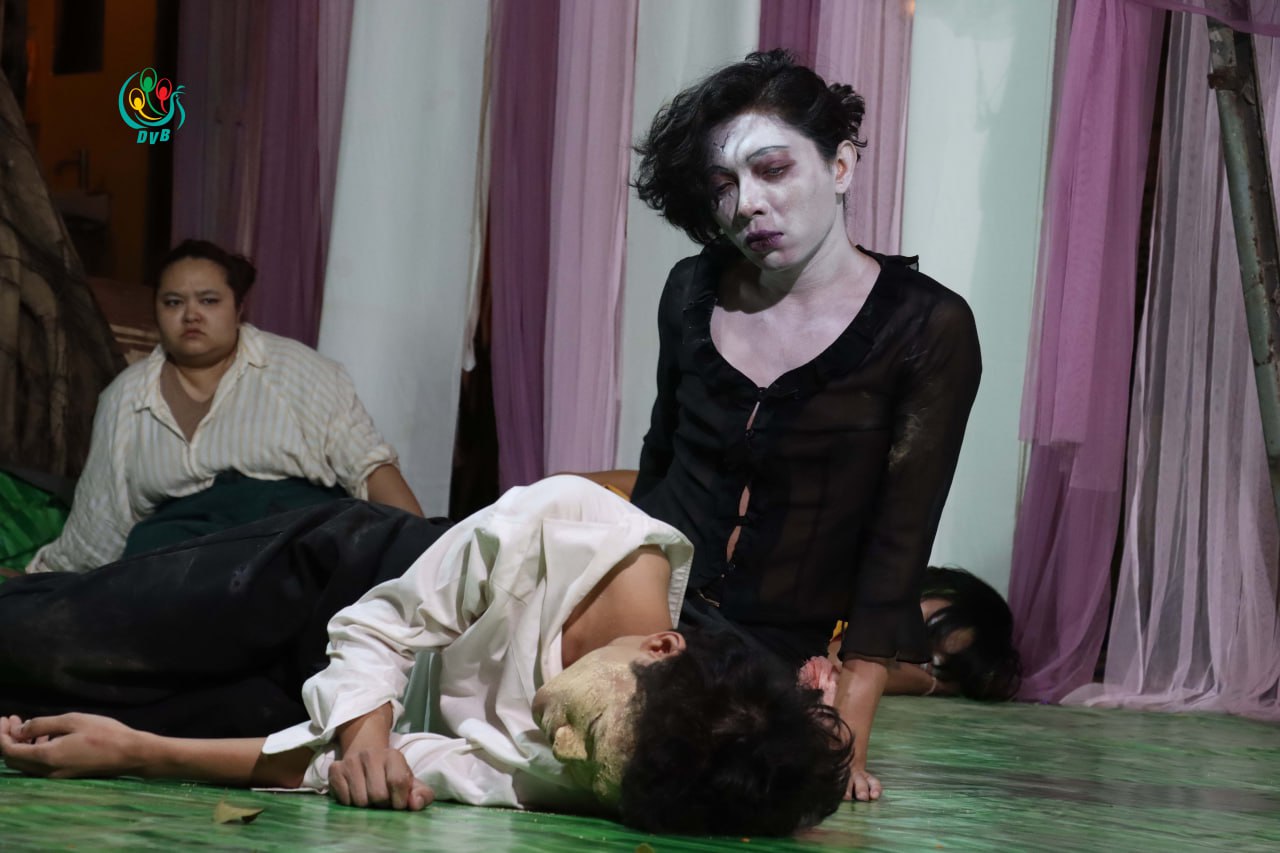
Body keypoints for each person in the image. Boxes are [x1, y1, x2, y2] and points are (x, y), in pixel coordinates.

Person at [0, 477, 850, 836]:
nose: (559, 748)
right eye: (586, 727)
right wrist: (368, 738)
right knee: (45, 639)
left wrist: (138, 750)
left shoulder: (619, 762)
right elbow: (378, 625)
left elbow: (381, 764)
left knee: (54, 720)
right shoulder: (574, 521)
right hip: (329, 580)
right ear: (661, 645)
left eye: (584, 761)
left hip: (327, 710)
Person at [627, 49, 982, 802]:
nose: (747, 204)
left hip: (771, 655)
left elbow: (899, 541)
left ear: (841, 165)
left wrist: (848, 734)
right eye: (723, 185)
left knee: (714, 771)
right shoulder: (691, 289)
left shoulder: (926, 326)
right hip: (639, 612)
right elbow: (658, 468)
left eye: (773, 170)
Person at [22, 239, 421, 574]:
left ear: (238, 308)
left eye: (209, 300)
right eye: (173, 302)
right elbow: (100, 526)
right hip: (176, 566)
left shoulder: (299, 370)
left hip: (290, 550)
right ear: (156, 311)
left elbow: (370, 469)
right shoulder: (126, 398)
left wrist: (423, 556)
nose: (191, 315)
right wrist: (43, 583)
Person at [805, 566, 1022, 702]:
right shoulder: (850, 595)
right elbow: (836, 665)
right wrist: (930, 685)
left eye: (931, 665)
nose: (911, 650)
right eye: (928, 630)